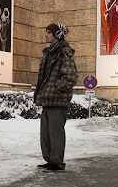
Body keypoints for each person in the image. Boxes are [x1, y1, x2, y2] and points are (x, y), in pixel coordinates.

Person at [34, 23, 79, 171]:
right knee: (46, 135)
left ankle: (57, 162)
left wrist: (56, 88)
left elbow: (71, 76)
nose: (46, 35)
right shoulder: (48, 53)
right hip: (47, 100)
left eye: (48, 32)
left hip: (57, 100)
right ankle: (50, 160)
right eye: (46, 32)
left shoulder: (64, 53)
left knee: (56, 134)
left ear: (57, 34)